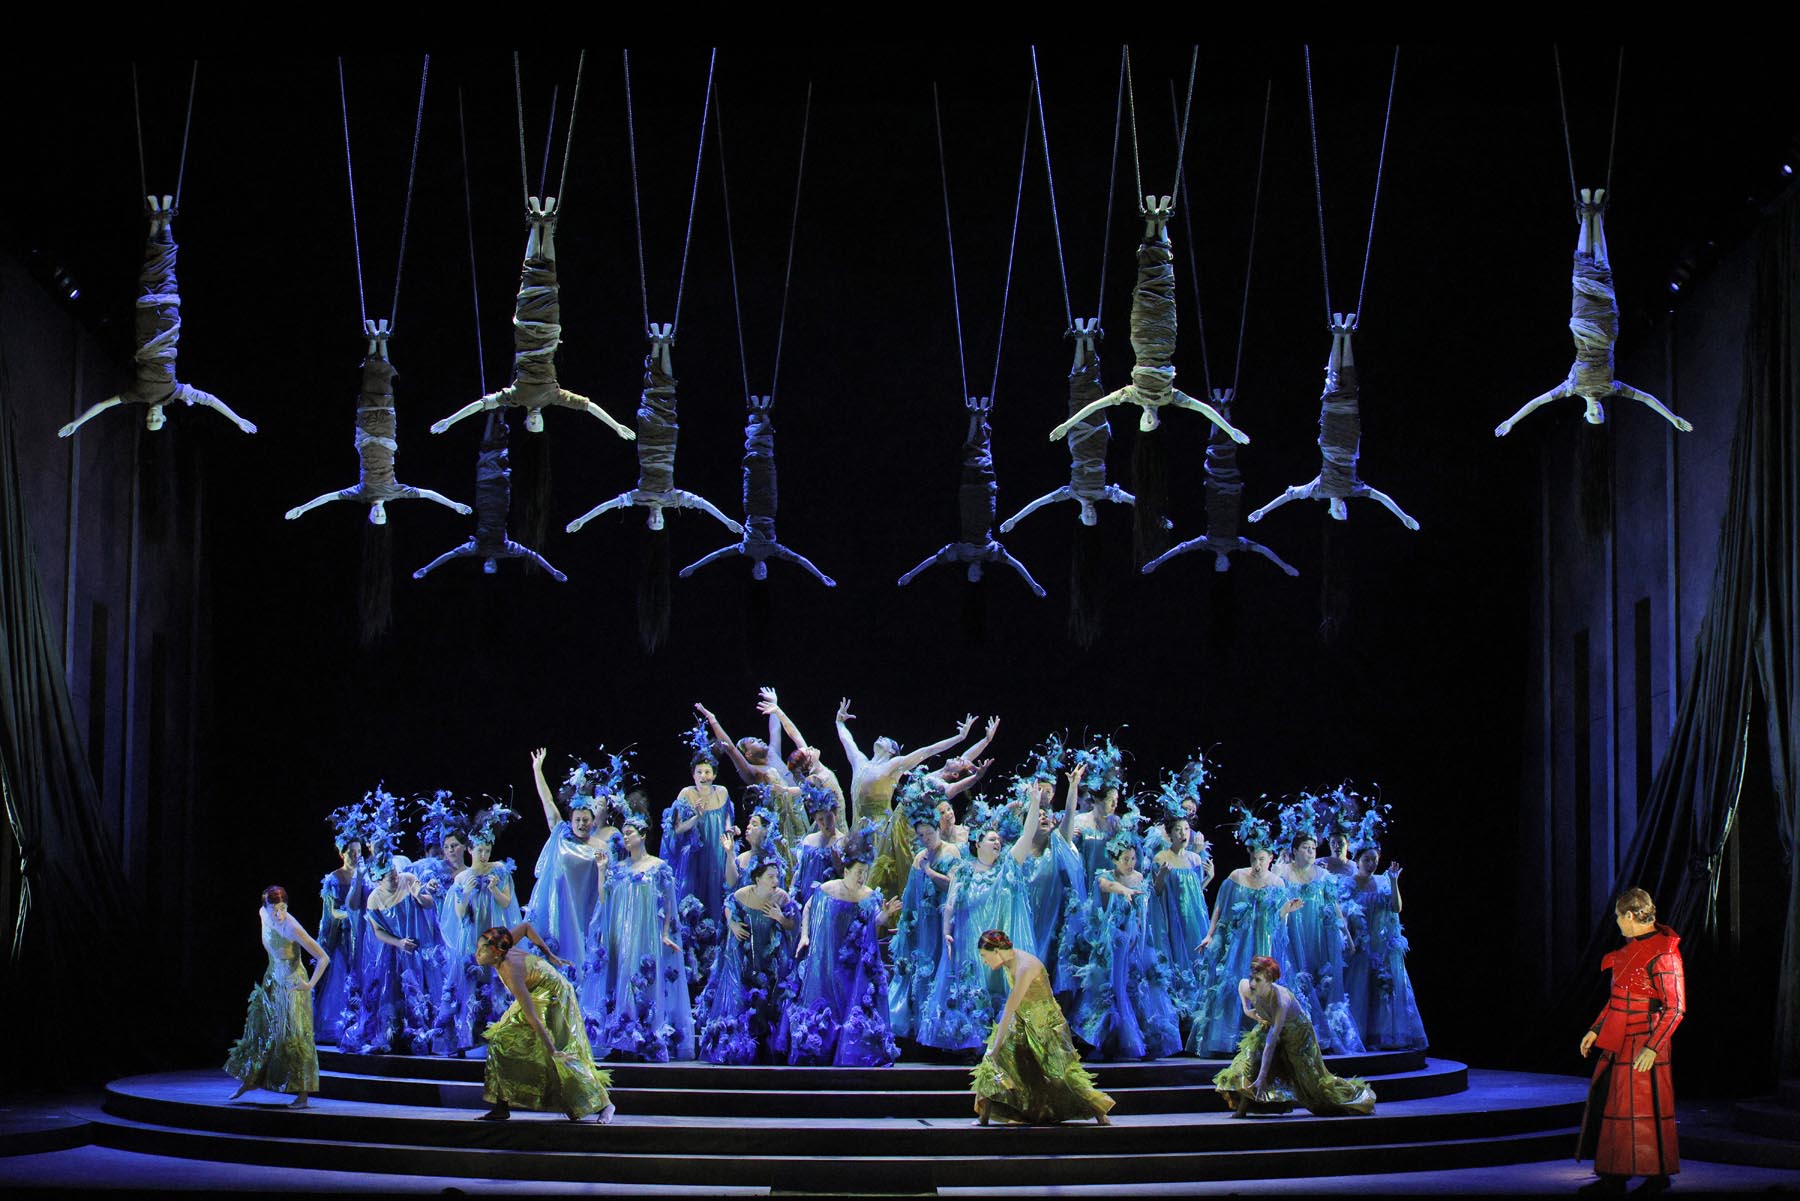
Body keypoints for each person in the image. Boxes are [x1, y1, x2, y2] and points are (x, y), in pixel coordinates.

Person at [1575, 888, 1685, 1196]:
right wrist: (1596, 1029)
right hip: (1620, 1037)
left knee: (1646, 1109)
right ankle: (1614, 1175)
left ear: (1631, 916)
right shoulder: (1629, 951)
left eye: (1618, 917)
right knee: (1614, 1105)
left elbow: (1675, 1008)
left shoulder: (1665, 953)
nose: (1617, 922)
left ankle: (1657, 1176)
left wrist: (1653, 1046)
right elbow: (1618, 997)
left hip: (1647, 1039)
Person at [917, 792, 1041, 1054]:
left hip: (999, 948)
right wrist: (946, 932)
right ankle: (972, 1044)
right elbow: (949, 905)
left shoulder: (1007, 866)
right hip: (970, 944)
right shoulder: (964, 871)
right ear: (978, 843)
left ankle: (1002, 1044)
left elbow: (1028, 834)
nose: (998, 843)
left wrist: (1035, 803)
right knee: (971, 992)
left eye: (999, 840)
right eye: (992, 839)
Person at [777, 822, 901, 1066]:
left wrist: (885, 916)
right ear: (846, 871)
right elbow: (808, 908)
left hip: (854, 960)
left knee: (854, 1001)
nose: (862, 877)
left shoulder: (869, 895)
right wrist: (805, 935)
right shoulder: (827, 890)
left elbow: (873, 923)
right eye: (858, 872)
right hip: (829, 955)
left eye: (865, 872)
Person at [835, 700, 983, 899]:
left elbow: (927, 751)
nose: (880, 736)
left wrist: (959, 737)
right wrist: (839, 722)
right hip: (857, 830)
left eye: (886, 739)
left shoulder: (892, 766)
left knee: (873, 881)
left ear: (892, 751)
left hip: (880, 833)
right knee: (851, 878)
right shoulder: (860, 763)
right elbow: (847, 741)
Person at [1187, 810, 1303, 1056]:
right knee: (1233, 984)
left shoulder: (1277, 883)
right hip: (1239, 942)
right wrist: (1210, 934)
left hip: (1263, 942)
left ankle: (1262, 1039)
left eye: (1262, 859)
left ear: (1270, 858)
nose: (1257, 864)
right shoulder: (1236, 877)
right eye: (1254, 859)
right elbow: (1219, 908)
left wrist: (1286, 911)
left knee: (1264, 986)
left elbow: (1278, 919)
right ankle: (1227, 1041)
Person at [580, 815, 695, 1061]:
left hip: (645, 935)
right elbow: (605, 900)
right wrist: (601, 871)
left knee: (642, 980)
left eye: (630, 832)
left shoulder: (657, 867)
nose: (626, 837)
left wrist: (666, 932)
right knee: (620, 979)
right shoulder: (618, 869)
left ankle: (643, 1040)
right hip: (621, 936)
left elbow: (668, 903)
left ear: (642, 835)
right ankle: (620, 1040)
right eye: (624, 833)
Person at [474, 924, 615, 1123]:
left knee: (558, 1051)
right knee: (500, 1040)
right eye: (478, 948)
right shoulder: (502, 942)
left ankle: (604, 1104)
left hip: (553, 993)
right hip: (535, 989)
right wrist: (549, 954)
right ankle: (501, 1106)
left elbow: (533, 1016)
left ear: (496, 954)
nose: (477, 953)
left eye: (482, 950)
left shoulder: (510, 971)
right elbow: (525, 928)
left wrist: (552, 1050)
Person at [971, 930, 1114, 1127]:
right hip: (1022, 1017)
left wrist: (995, 1046)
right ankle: (984, 1115)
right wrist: (995, 1048)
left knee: (1061, 1074)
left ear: (996, 951)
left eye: (984, 956)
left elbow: (1010, 1007)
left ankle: (1099, 1111)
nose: (984, 961)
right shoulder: (1008, 962)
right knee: (993, 1061)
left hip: (1045, 1023)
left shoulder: (1025, 967)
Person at [1212, 957, 1375, 1117]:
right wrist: (1253, 1014)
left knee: (1312, 1083)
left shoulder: (1280, 1000)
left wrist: (1263, 1077)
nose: (1252, 984)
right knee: (1248, 1060)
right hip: (1269, 1026)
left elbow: (1271, 1042)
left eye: (1258, 980)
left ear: (1269, 981)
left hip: (1297, 1033)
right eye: (1251, 978)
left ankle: (1354, 1099)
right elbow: (1247, 1007)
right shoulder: (1246, 986)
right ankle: (1242, 1109)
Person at [1071, 832, 1182, 1060]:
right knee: (1114, 985)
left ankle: (1145, 1038)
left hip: (1138, 941)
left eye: (1133, 858)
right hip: (1115, 941)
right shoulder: (1105, 876)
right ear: (1114, 859)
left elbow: (1151, 898)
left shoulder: (1139, 877)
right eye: (1125, 859)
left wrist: (1161, 876)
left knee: (1142, 984)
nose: (1130, 863)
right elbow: (1107, 886)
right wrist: (1124, 890)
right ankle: (1112, 1039)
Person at [226, 886, 329, 1108]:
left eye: (283, 908)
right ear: (265, 908)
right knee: (262, 1030)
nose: (279, 914)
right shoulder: (263, 914)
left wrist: (309, 985)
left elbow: (323, 957)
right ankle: (251, 1080)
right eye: (275, 910)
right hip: (272, 979)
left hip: (291, 985)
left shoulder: (292, 927)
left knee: (294, 1037)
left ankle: (302, 1095)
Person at [695, 854, 799, 1064]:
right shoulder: (743, 894)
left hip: (768, 956)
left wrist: (780, 918)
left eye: (777, 876)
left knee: (767, 997)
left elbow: (793, 924)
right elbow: (728, 905)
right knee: (741, 996)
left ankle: (765, 1048)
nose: (775, 881)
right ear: (758, 879)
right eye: (770, 877)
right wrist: (732, 924)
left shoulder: (782, 897)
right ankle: (736, 1047)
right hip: (745, 955)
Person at [1275, 820, 1364, 1054]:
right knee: (1298, 978)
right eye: (1306, 848)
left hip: (1319, 934)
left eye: (1313, 848)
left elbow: (1334, 905)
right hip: (1294, 933)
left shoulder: (1323, 875)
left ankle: (1325, 1035)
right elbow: (1276, 904)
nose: (1311, 852)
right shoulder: (1282, 873)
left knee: (1322, 979)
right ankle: (1298, 1035)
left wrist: (1347, 935)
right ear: (1295, 851)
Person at [350, 854, 451, 1055]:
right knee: (397, 992)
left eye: (395, 873)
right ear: (379, 880)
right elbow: (378, 931)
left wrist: (419, 896)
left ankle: (430, 1035)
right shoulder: (374, 899)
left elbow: (429, 904)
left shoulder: (408, 879)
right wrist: (398, 942)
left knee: (427, 986)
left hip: (420, 943)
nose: (395, 878)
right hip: (396, 951)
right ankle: (400, 1035)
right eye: (390, 877)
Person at [440, 808, 522, 1052]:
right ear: (470, 850)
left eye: (487, 850)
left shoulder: (499, 870)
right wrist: (466, 893)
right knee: (472, 979)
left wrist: (495, 889)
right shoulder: (462, 877)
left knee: (496, 979)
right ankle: (469, 1035)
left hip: (494, 932)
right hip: (473, 935)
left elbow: (507, 902)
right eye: (479, 850)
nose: (484, 855)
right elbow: (459, 913)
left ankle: (500, 1033)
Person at [524, 748, 609, 970]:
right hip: (559, 910)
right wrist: (537, 770)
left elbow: (606, 887)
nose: (581, 824)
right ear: (571, 820)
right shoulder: (561, 835)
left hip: (585, 910)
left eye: (585, 820)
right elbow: (548, 801)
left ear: (593, 821)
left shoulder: (601, 847)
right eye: (577, 820)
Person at [888, 794, 962, 1042]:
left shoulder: (951, 851)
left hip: (943, 924)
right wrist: (905, 926)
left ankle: (941, 1033)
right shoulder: (919, 856)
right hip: (923, 926)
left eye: (929, 833)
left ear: (937, 829)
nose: (926, 838)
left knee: (941, 970)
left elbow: (953, 884)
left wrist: (930, 871)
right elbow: (910, 896)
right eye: (921, 835)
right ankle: (922, 1029)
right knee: (920, 972)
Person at [1340, 843, 1427, 1050]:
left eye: (1375, 860)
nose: (1371, 864)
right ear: (1357, 860)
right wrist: (1349, 940)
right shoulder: (1348, 884)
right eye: (1366, 860)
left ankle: (1383, 1037)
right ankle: (1358, 1037)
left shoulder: (1382, 881)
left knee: (1383, 989)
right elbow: (1343, 915)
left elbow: (1396, 908)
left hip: (1382, 946)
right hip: (1360, 945)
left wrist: (1394, 881)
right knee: (1360, 990)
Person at [316, 809, 370, 1046]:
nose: (356, 856)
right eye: (351, 852)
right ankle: (335, 1026)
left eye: (359, 852)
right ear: (342, 853)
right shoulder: (334, 878)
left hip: (361, 935)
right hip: (343, 937)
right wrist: (352, 914)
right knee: (340, 979)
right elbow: (333, 912)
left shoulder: (364, 875)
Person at [1148, 814, 1211, 1019]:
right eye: (1178, 829)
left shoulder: (1194, 859)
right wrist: (1162, 875)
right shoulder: (1160, 858)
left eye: (1186, 829)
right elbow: (1156, 893)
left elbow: (1196, 891)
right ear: (1170, 834)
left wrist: (1210, 878)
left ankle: (1197, 1009)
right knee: (1176, 957)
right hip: (1172, 917)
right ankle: (1178, 1009)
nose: (1183, 833)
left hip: (1193, 918)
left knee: (1196, 957)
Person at [789, 781, 844, 906]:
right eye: (820, 819)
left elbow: (847, 879)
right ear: (815, 819)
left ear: (835, 814)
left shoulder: (843, 842)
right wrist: (791, 896)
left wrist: (838, 867)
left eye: (828, 817)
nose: (825, 823)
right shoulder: (809, 840)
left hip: (827, 903)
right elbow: (799, 873)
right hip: (804, 898)